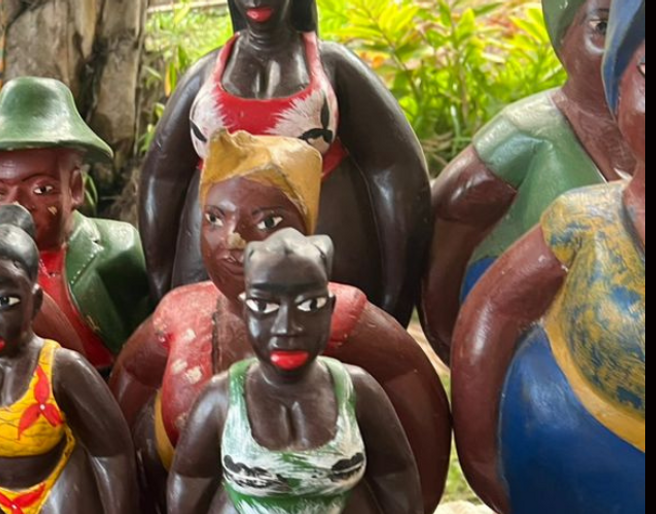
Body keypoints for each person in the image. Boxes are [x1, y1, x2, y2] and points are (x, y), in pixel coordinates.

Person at [111, 131, 448, 511]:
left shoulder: (348, 328)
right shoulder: (182, 314)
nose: (234, 239)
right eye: (215, 218)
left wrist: (423, 496)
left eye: (268, 221)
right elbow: (132, 384)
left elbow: (409, 387)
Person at [451, 1, 645, 511]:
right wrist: (482, 456)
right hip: (568, 474)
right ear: (620, 85)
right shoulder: (582, 219)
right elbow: (492, 311)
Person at [138, 0, 431, 326]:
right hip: (210, 266)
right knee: (207, 338)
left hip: (317, 276)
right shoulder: (203, 74)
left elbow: (396, 168)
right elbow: (162, 176)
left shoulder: (333, 68)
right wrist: (159, 283)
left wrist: (396, 295)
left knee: (326, 344)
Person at [422, 0, 637, 361]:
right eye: (602, 27)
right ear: (563, 37)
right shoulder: (529, 131)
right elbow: (453, 212)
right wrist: (450, 333)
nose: (624, 48)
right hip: (538, 337)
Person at [167, 230, 421, 514]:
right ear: (246, 311)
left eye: (309, 305)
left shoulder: (358, 390)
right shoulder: (221, 397)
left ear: (329, 309)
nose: (287, 327)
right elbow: (190, 479)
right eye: (265, 306)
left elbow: (395, 473)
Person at [0, 205, 138, 513]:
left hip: (57, 487)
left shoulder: (62, 370)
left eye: (4, 301)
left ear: (35, 300)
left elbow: (112, 452)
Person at [0, 77, 152, 371]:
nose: (16, 206)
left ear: (74, 188)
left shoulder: (118, 250)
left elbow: (148, 345)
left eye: (41, 189)